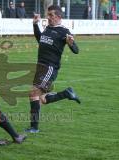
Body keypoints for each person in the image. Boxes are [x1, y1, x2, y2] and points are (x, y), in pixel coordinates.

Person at [25, 5, 81, 133]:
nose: (48, 17)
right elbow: (41, 39)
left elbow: (76, 50)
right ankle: (67, 93)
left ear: (58, 16)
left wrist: (71, 43)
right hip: (40, 66)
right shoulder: (48, 28)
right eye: (48, 15)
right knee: (42, 99)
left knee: (33, 93)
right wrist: (35, 24)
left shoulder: (64, 31)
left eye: (51, 15)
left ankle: (34, 128)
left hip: (50, 67)